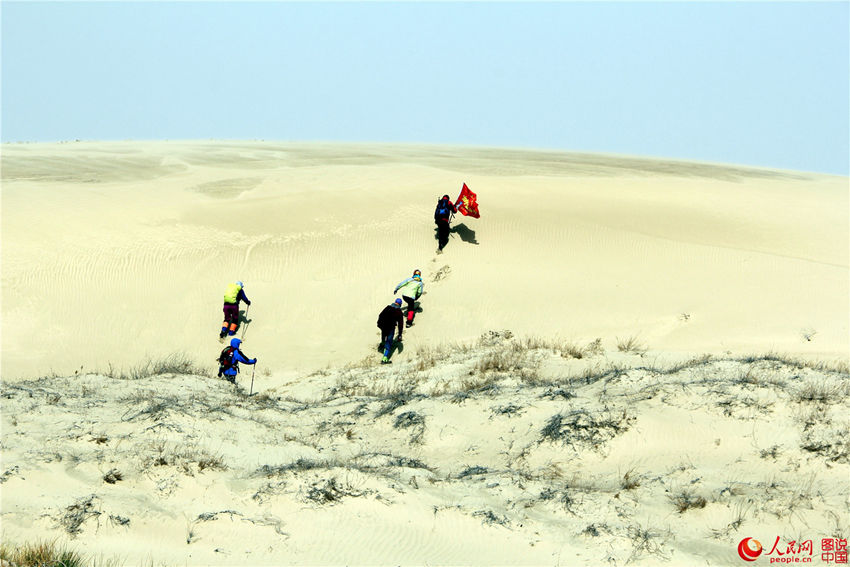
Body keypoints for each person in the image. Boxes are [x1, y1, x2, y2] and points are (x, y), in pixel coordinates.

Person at [376, 298, 404, 364]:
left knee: (383, 336)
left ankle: (382, 344)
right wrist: (400, 334)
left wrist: (379, 324)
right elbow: (401, 324)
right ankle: (385, 358)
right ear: (400, 304)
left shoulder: (388, 307)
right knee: (389, 342)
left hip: (383, 326)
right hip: (391, 328)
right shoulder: (399, 311)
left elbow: (380, 315)